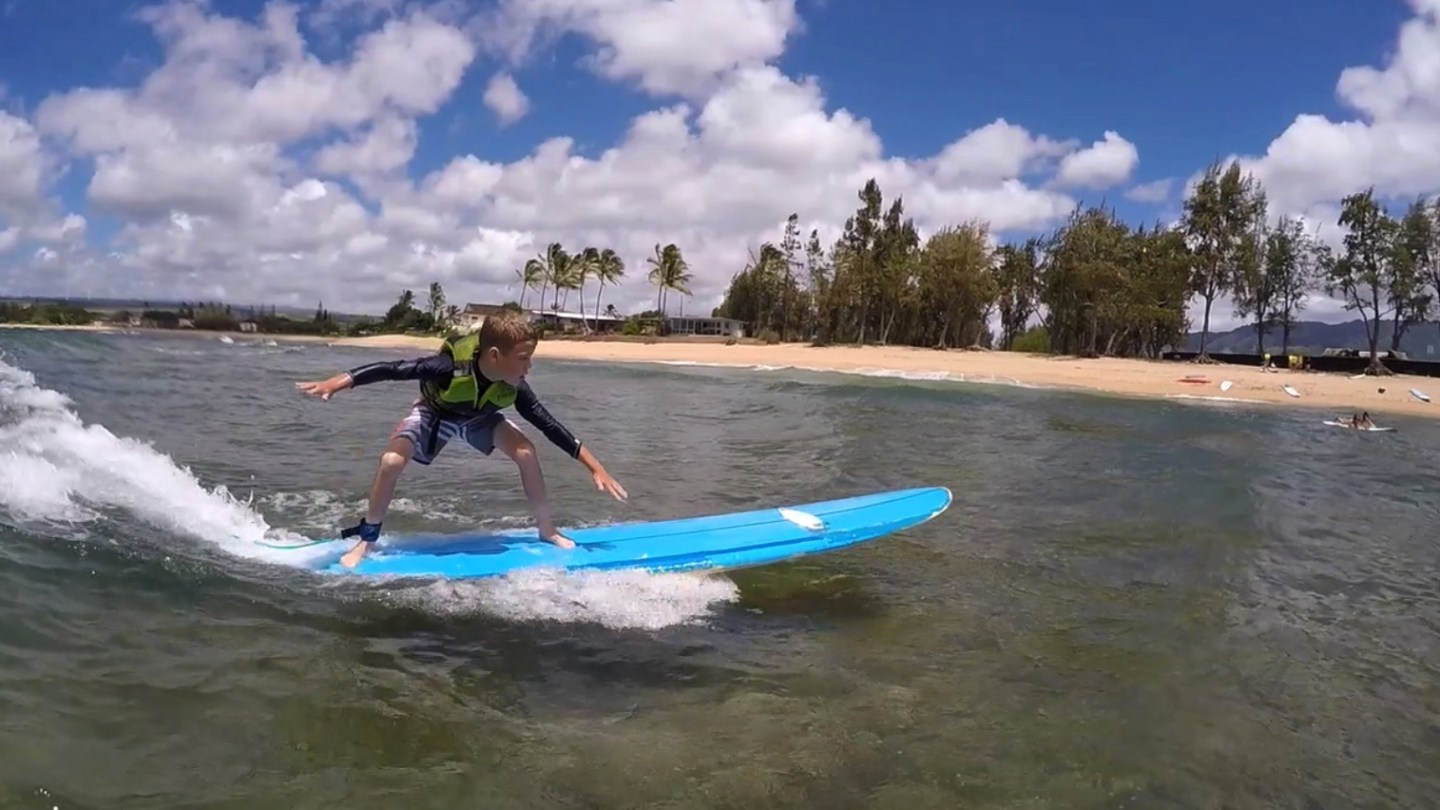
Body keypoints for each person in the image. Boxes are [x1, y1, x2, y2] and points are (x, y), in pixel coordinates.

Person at [293, 310, 628, 568]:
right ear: (495, 355)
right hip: (435, 412)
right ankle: (366, 539)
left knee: (526, 451)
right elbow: (393, 369)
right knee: (391, 461)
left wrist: (595, 468)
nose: (530, 367)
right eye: (524, 358)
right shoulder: (446, 367)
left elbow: (551, 426)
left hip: (480, 416)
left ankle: (547, 530)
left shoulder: (515, 388)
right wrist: (336, 383)